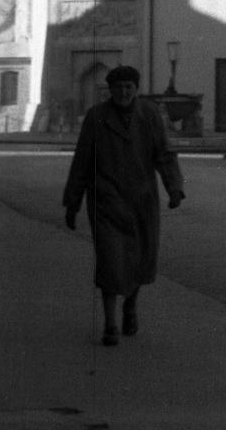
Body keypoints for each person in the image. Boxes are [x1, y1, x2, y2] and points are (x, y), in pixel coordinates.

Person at [63, 63, 185, 346]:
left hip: (142, 200)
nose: (123, 92)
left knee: (140, 260)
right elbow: (82, 161)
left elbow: (164, 154)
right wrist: (72, 203)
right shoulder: (96, 117)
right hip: (106, 200)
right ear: (110, 90)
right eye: (118, 88)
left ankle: (130, 305)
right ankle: (110, 323)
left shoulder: (150, 115)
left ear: (136, 89)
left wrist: (175, 187)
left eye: (128, 87)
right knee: (110, 262)